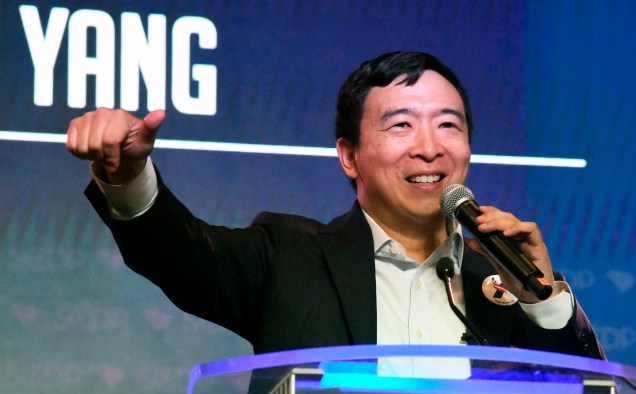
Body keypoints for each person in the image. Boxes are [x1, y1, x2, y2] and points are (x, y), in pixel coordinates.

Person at [66, 51, 604, 364]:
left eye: (448, 125)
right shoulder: (290, 259)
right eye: (400, 125)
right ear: (349, 156)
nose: (429, 146)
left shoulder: (507, 281)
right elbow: (180, 254)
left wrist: (541, 296)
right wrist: (129, 176)